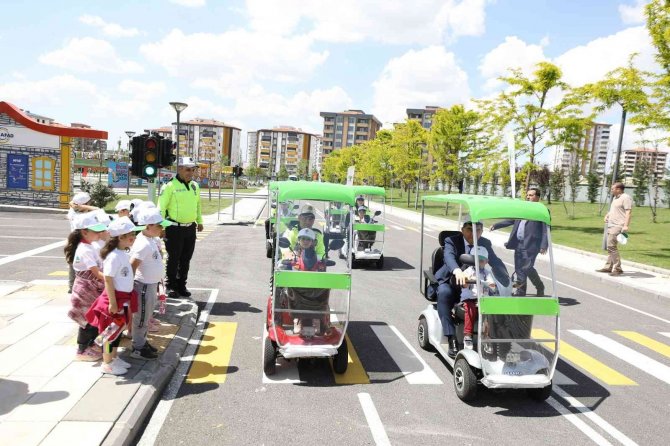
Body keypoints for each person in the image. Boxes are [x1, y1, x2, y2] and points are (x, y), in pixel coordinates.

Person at [434, 216, 505, 358]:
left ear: (482, 231)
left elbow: (495, 261)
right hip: (453, 281)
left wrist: (507, 276)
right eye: (469, 230)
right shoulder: (452, 241)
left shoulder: (485, 243)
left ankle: (495, 338)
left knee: (498, 297)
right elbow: (449, 257)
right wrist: (457, 270)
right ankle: (451, 337)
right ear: (462, 230)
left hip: (477, 285)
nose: (474, 234)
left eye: (478, 230)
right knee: (444, 292)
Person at [86, 217, 141, 375]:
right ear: (120, 237)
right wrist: (112, 302)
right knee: (109, 333)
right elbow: (108, 280)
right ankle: (107, 362)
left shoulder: (122, 253)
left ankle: (114, 358)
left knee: (117, 332)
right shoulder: (114, 256)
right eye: (130, 234)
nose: (134, 237)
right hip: (115, 300)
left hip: (123, 299)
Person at [65, 211, 108, 361]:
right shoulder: (85, 249)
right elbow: (96, 273)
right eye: (96, 231)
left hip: (92, 289)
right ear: (84, 232)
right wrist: (111, 280)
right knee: (87, 321)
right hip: (86, 291)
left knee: (93, 319)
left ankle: (92, 347)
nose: (100, 233)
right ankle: (82, 350)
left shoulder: (91, 246)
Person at [158, 157, 204, 298]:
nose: (190, 172)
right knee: (173, 258)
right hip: (174, 228)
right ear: (179, 169)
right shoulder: (169, 186)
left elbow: (197, 205)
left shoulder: (195, 186)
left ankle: (181, 285)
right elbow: (161, 208)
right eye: (187, 169)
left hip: (190, 228)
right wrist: (161, 227)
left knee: (186, 259)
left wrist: (199, 221)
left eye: (192, 169)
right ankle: (171, 285)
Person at [130, 208, 171, 360]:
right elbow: (132, 265)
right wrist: (130, 287)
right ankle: (137, 348)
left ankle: (142, 341)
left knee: (146, 317)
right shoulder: (143, 244)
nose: (162, 228)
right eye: (159, 225)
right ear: (148, 226)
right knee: (141, 318)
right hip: (143, 286)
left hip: (150, 285)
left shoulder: (150, 240)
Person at [490, 187, 548, 296]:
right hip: (519, 243)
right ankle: (521, 292)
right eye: (527, 195)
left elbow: (546, 229)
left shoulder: (542, 210)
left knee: (527, 268)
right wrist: (497, 225)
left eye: (531, 195)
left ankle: (539, 286)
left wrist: (544, 244)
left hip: (532, 245)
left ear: (538, 197)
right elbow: (512, 219)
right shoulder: (523, 208)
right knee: (519, 269)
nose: (528, 197)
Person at [459, 246, 496, 350]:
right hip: (470, 299)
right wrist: (467, 280)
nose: (479, 262)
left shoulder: (487, 273)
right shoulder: (468, 271)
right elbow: (464, 282)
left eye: (481, 260)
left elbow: (492, 284)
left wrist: (492, 284)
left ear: (486, 261)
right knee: (470, 309)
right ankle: (467, 336)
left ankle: (486, 337)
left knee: (489, 312)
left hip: (483, 300)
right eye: (476, 260)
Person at [597, 182, 633, 276]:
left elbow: (628, 212)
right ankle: (608, 267)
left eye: (613, 189)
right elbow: (613, 209)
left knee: (611, 246)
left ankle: (618, 268)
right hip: (611, 224)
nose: (611, 190)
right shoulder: (615, 198)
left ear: (618, 189)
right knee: (610, 247)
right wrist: (607, 215)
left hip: (618, 225)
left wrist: (625, 226)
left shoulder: (625, 198)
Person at [67, 192, 98, 293]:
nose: (90, 204)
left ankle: (71, 286)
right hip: (81, 241)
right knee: (80, 266)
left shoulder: (74, 212)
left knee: (73, 263)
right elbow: (98, 210)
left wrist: (77, 205)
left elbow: (71, 202)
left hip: (75, 240)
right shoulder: (81, 216)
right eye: (88, 203)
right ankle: (73, 287)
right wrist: (81, 206)